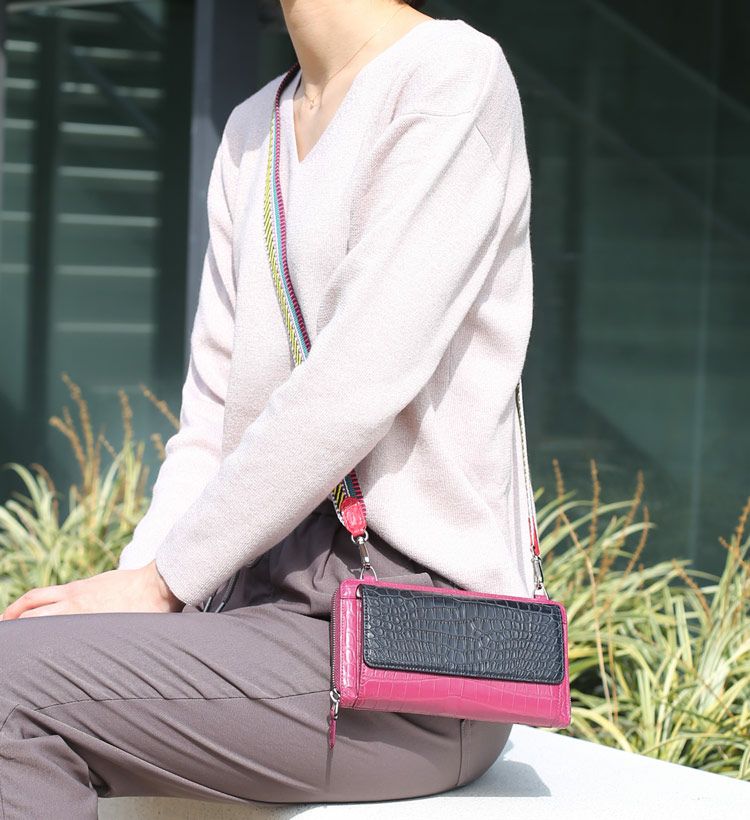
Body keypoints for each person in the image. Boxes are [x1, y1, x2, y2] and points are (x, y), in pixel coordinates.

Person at [0, 0, 535, 813]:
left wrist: (164, 585)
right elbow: (212, 424)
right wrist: (141, 584)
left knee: (12, 686)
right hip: (264, 618)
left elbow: (357, 381)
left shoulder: (451, 75)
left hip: (413, 649)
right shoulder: (255, 127)